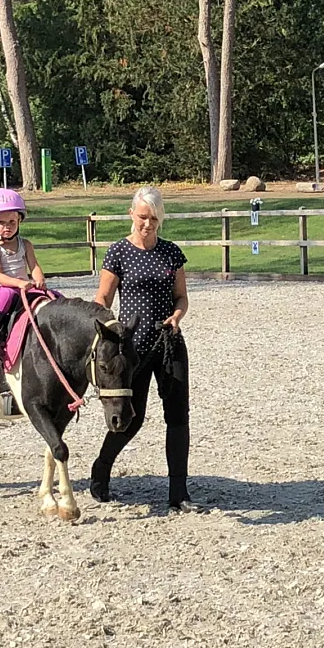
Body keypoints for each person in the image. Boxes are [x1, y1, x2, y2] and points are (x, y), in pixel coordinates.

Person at [90, 186, 201, 513]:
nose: (147, 224)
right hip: (131, 349)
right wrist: (108, 331)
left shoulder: (171, 253)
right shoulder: (118, 253)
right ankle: (101, 469)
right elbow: (103, 300)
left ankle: (178, 493)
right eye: (142, 217)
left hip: (169, 344)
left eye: (153, 218)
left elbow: (182, 296)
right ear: (132, 215)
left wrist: (178, 314)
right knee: (130, 418)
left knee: (178, 416)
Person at [0, 188, 46, 361]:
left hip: (24, 287)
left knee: (53, 296)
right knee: (7, 295)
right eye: (2, 222)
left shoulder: (26, 244)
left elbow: (34, 265)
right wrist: (18, 283)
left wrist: (39, 278)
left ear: (19, 221)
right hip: (4, 288)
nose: (7, 227)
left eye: (12, 222)